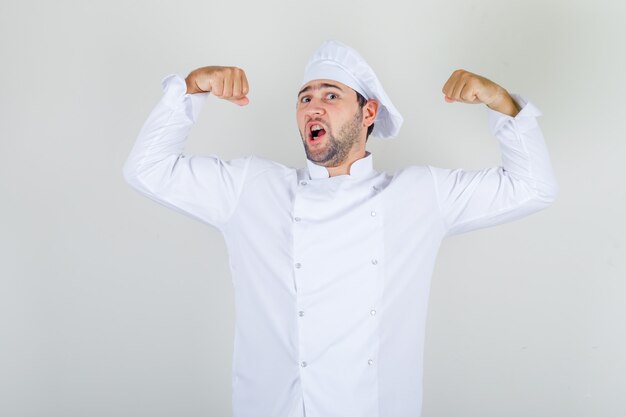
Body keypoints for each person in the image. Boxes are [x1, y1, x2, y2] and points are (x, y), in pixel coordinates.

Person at [123, 40, 557, 417]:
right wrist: (190, 89)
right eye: (305, 97)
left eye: (331, 95)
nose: (313, 105)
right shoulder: (250, 189)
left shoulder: (420, 196)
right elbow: (147, 169)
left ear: (368, 112)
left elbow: (532, 188)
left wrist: (502, 103)